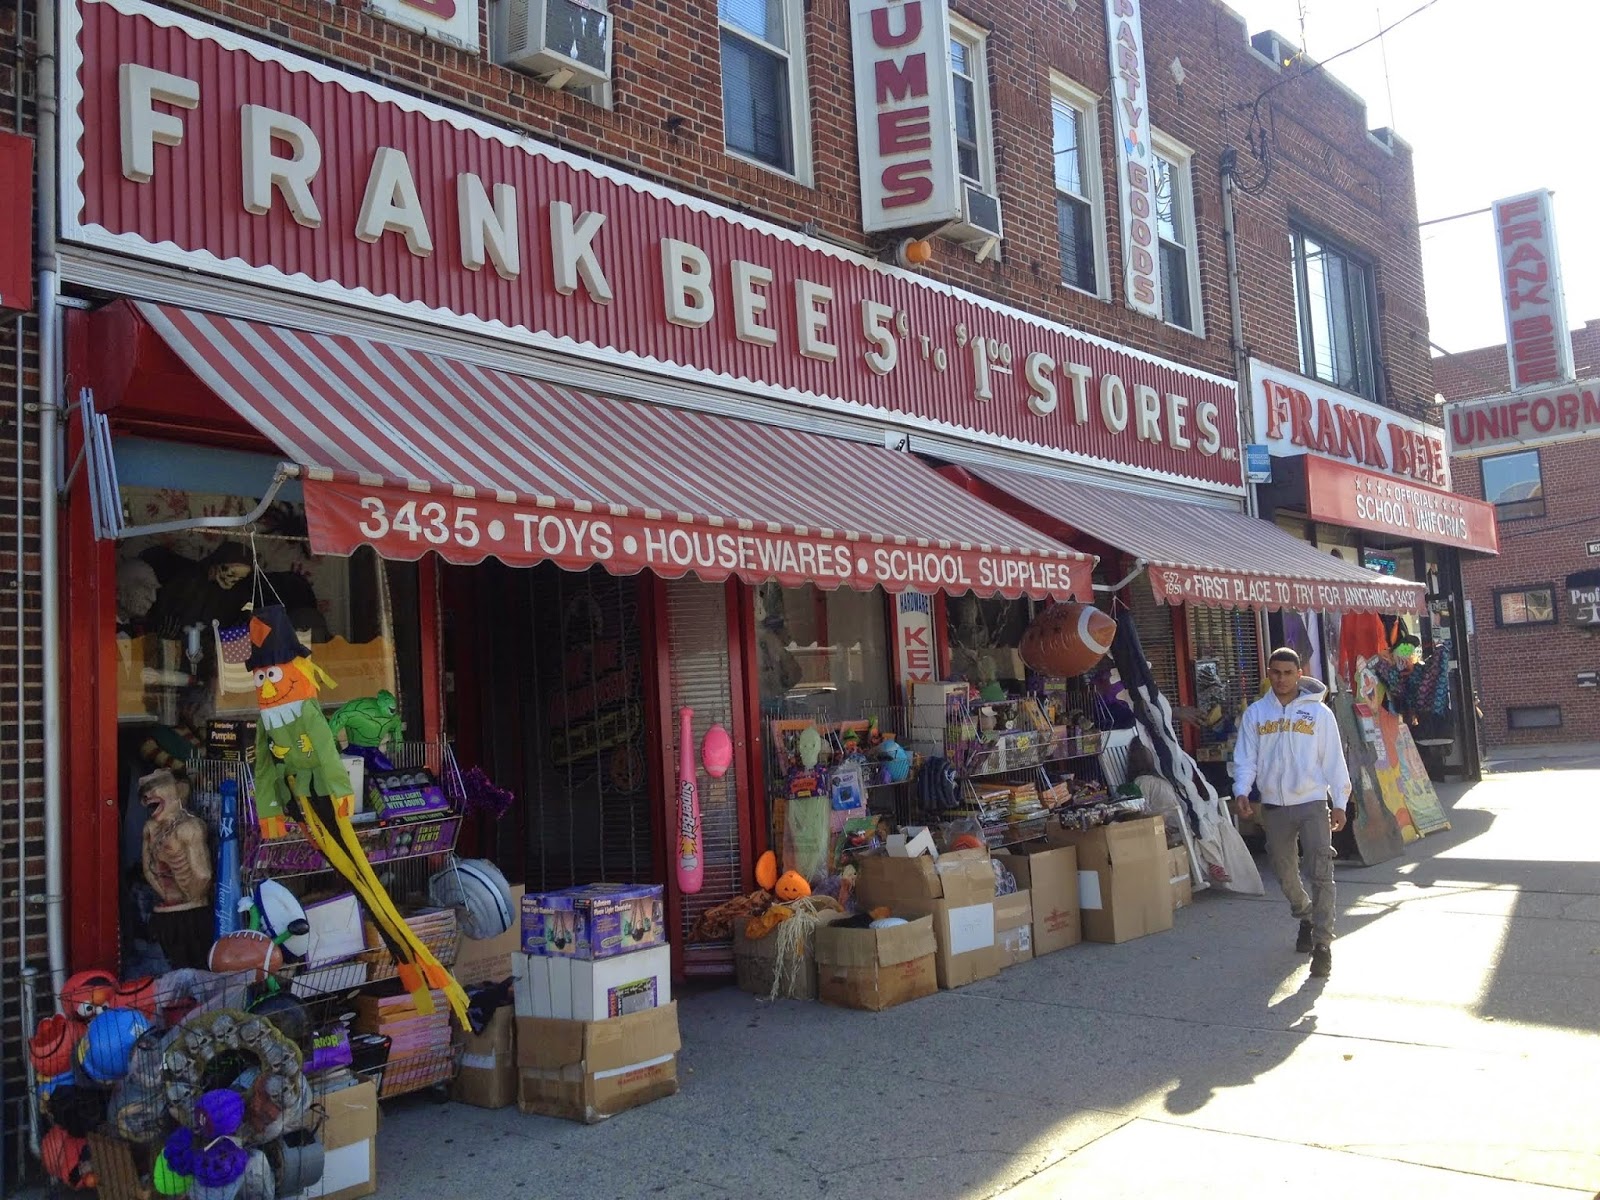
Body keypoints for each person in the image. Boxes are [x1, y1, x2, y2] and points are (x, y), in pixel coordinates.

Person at [1232, 647, 1351, 979]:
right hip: (1274, 806)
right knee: (1284, 873)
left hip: (1312, 802)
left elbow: (1333, 760)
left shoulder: (1319, 714)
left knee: (1321, 871)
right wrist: (1242, 790)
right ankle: (1306, 915)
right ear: (1268, 673)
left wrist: (1339, 802)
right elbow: (1246, 758)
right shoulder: (1256, 714)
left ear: (1299, 674)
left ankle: (1323, 945)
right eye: (1275, 672)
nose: (1281, 679)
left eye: (1288, 673)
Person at [1126, 740, 1184, 849]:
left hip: (1167, 828)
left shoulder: (1142, 782)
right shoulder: (1163, 779)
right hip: (1179, 824)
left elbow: (1137, 811)